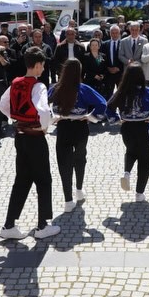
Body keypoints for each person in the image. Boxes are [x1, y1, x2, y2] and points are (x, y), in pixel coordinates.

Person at [0, 46, 60, 240]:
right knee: (43, 180)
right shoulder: (38, 85)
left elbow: (2, 104)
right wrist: (45, 125)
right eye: (42, 66)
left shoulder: (15, 82)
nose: (43, 70)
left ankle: (9, 225)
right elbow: (42, 110)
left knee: (21, 180)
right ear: (38, 65)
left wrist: (18, 121)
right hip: (34, 138)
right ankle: (42, 226)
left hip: (20, 137)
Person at [49, 59, 108, 213]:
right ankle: (79, 189)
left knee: (63, 163)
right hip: (80, 127)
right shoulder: (84, 89)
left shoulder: (55, 88)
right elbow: (103, 104)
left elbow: (41, 105)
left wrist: (53, 116)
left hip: (63, 127)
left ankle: (68, 200)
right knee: (80, 158)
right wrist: (90, 116)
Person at [107, 62, 149, 202]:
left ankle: (127, 173)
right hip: (144, 127)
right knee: (146, 159)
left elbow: (108, 107)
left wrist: (116, 119)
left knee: (131, 150)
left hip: (126, 128)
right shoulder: (148, 92)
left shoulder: (120, 92)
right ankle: (139, 193)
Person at [101, 25, 125, 95]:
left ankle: (121, 106)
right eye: (113, 33)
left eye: (116, 33)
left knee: (121, 94)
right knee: (108, 94)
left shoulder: (123, 44)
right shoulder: (104, 44)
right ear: (110, 33)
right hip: (108, 74)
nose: (114, 35)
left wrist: (119, 68)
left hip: (120, 73)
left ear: (119, 33)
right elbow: (101, 58)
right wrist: (107, 68)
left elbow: (125, 57)